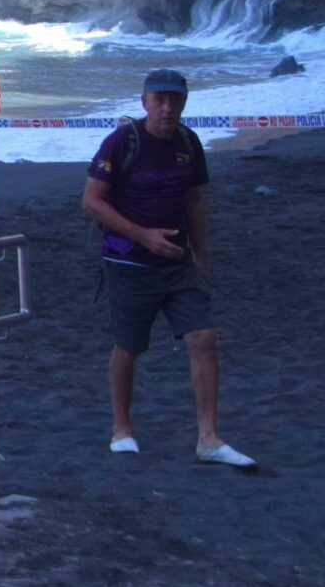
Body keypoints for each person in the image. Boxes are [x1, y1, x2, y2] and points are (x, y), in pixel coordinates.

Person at [84, 71, 252, 466]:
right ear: (144, 101)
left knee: (204, 337)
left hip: (178, 262)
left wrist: (202, 255)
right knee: (129, 347)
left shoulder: (189, 142)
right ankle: (122, 428)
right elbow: (91, 201)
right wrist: (143, 236)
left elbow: (193, 199)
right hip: (128, 261)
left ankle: (208, 438)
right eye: (159, 99)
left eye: (175, 100)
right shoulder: (123, 142)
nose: (167, 108)